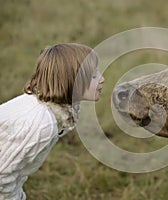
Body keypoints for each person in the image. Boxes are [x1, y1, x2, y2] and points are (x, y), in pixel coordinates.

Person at [0, 43, 105, 200]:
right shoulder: (42, 124)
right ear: (72, 80)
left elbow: (17, 168)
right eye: (94, 75)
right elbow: (3, 175)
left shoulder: (51, 109)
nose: (102, 79)